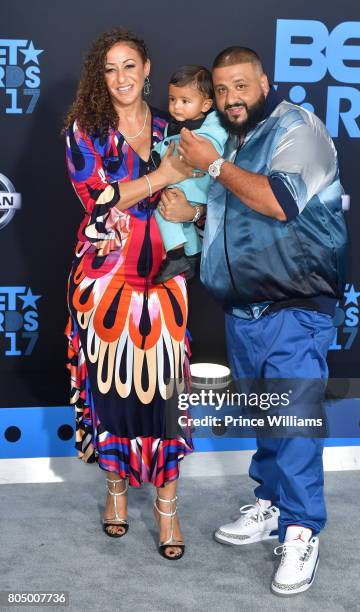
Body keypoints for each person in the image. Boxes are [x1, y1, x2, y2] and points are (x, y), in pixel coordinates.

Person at [175, 47, 348, 594]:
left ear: (264, 82)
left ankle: (301, 531)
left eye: (241, 87)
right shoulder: (231, 141)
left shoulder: (297, 127)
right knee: (269, 420)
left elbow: (279, 203)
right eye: (221, 91)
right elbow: (240, 218)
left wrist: (211, 166)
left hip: (295, 307)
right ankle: (272, 505)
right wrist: (198, 213)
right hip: (244, 311)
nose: (230, 100)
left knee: (294, 425)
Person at [63, 27, 199, 560]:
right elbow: (97, 200)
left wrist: (192, 209)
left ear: (147, 69)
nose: (120, 78)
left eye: (129, 66)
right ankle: (115, 492)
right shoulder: (87, 131)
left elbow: (202, 195)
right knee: (111, 393)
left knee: (167, 396)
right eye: (110, 69)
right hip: (104, 282)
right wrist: (161, 175)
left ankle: (168, 507)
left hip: (166, 282)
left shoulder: (177, 128)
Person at [152, 65, 227, 284]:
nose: (176, 106)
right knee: (181, 220)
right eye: (172, 99)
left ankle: (176, 257)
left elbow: (207, 148)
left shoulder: (212, 128)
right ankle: (192, 254)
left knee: (165, 209)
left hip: (197, 184)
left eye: (185, 101)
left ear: (206, 104)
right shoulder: (175, 125)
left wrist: (156, 157)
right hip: (185, 183)